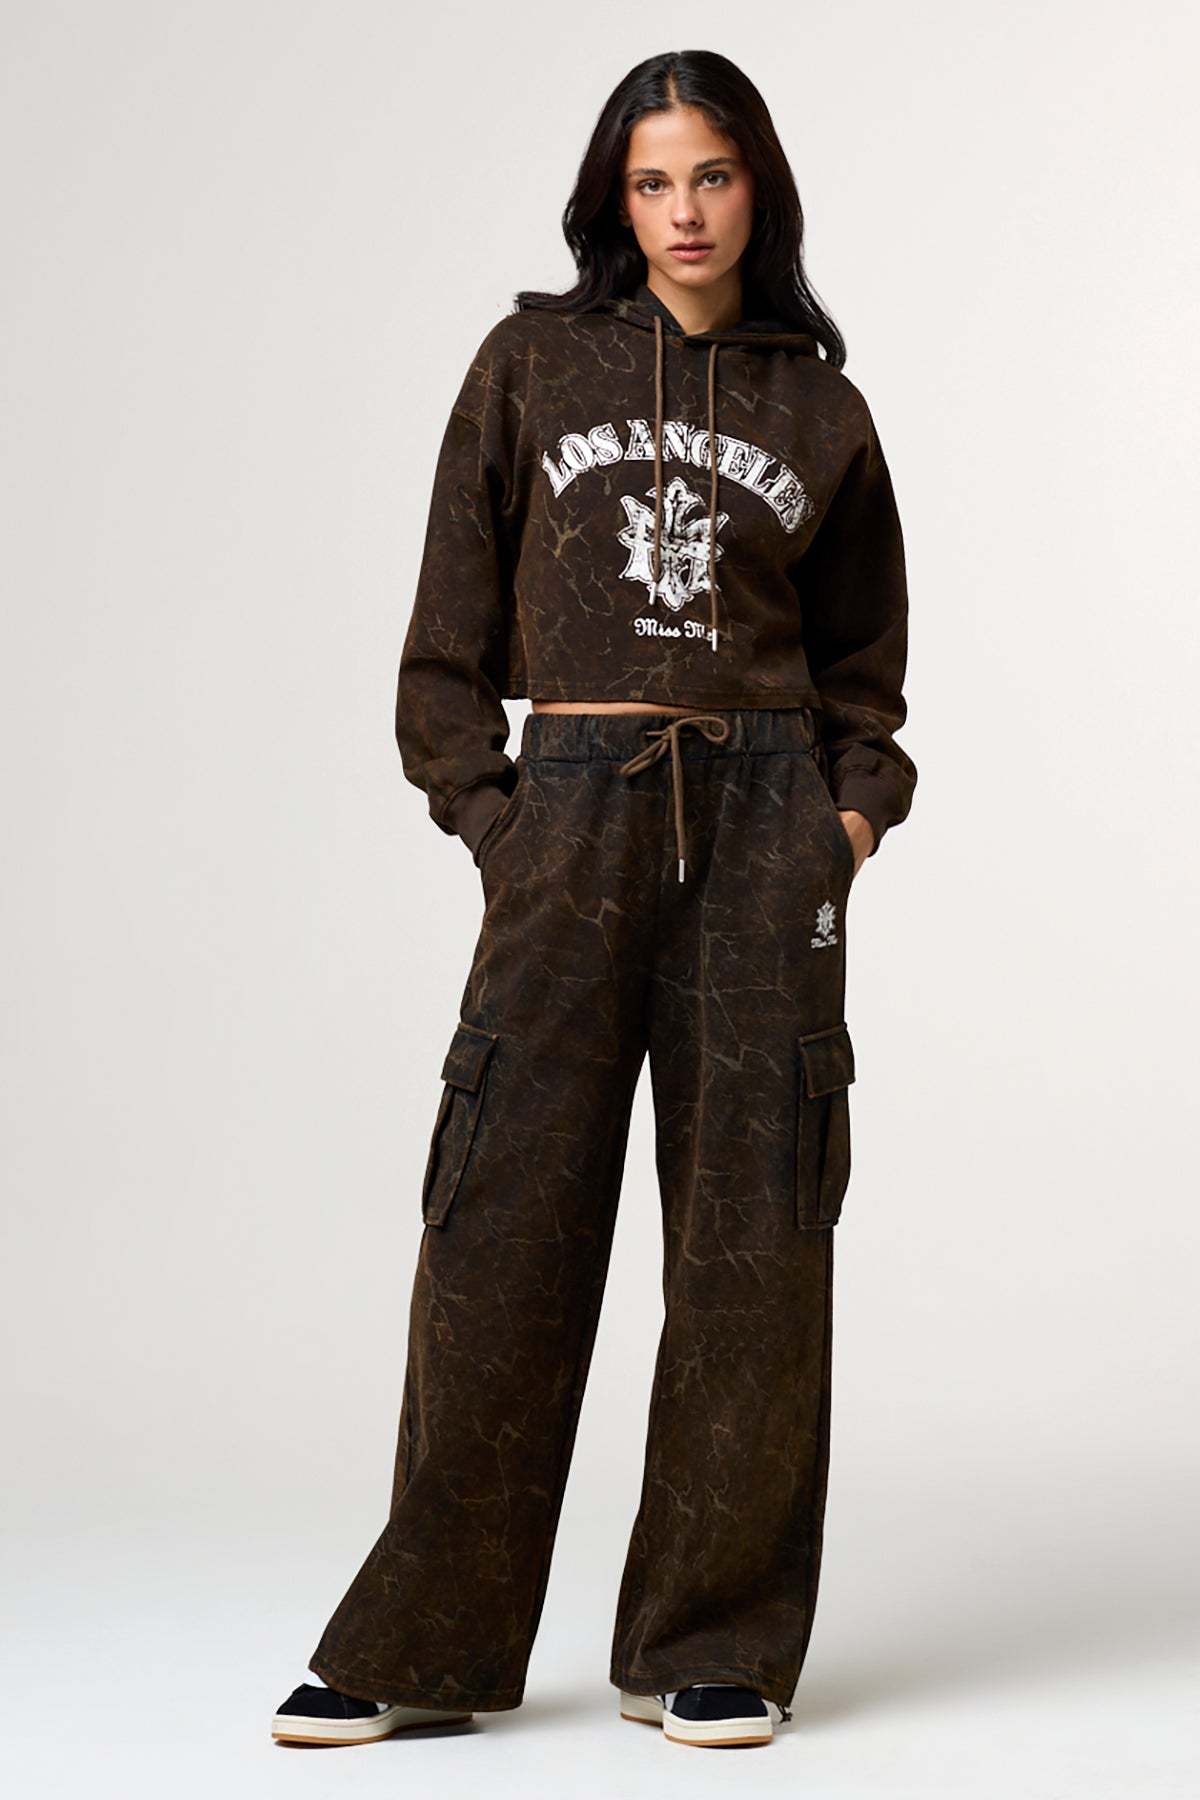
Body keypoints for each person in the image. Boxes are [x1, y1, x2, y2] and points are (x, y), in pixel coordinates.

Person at [271, 47, 916, 1754]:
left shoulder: (821, 409)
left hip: (765, 825)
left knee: (753, 1239)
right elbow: (445, 635)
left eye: (711, 175)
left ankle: (713, 1639)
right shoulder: (531, 365)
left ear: (757, 187)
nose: (683, 212)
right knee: (500, 1224)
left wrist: (844, 823)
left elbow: (865, 671)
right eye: (652, 181)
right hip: (570, 816)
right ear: (611, 200)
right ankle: (425, 1640)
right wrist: (497, 816)